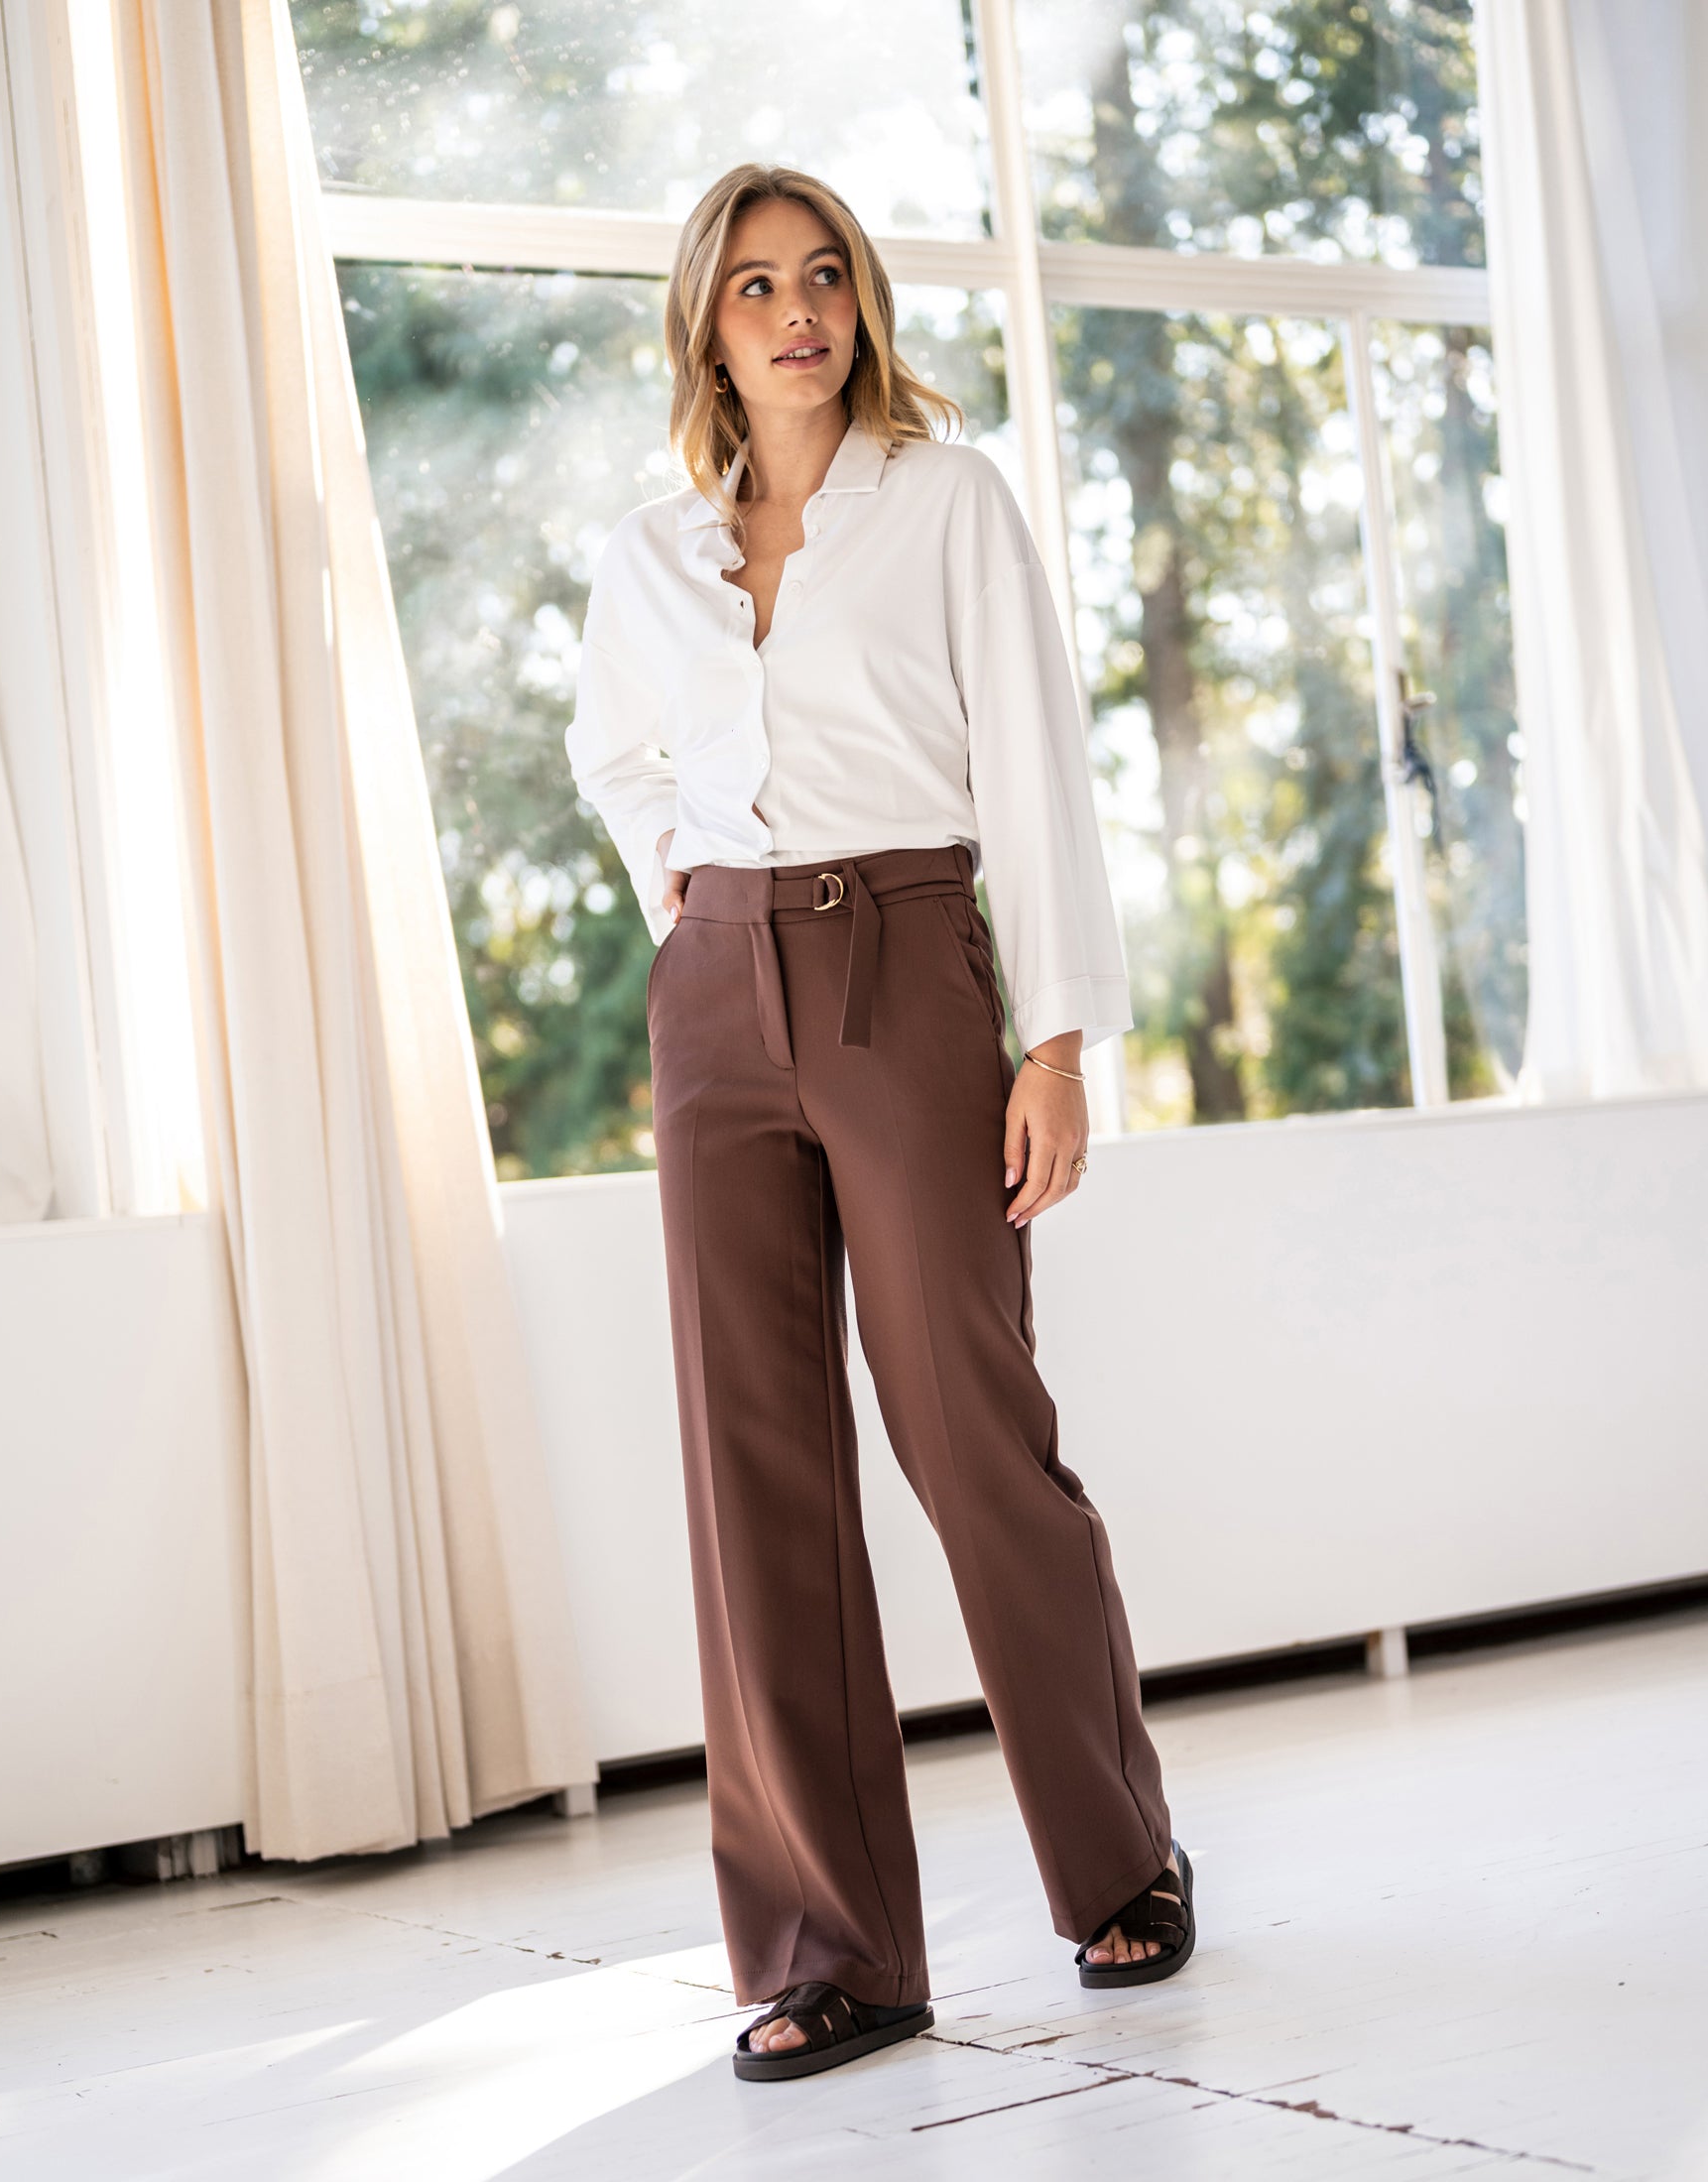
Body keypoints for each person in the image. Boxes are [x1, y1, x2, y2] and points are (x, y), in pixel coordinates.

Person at [565, 163, 1193, 2085]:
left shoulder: (948, 500)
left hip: (907, 955)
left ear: (860, 302)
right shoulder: (653, 549)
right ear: (708, 321)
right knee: (754, 1473)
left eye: (823, 274)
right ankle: (835, 1949)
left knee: (967, 1419)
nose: (797, 309)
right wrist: (683, 887)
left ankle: (1118, 1848)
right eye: (755, 283)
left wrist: (1058, 1032)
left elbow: (1034, 758)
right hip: (719, 993)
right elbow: (615, 745)